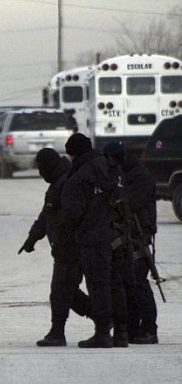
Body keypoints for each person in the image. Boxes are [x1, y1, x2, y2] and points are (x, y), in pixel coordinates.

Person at [19, 148, 91, 347]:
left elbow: (70, 216)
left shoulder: (66, 183)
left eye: (42, 169)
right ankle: (104, 317)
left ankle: (57, 332)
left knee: (60, 290)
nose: (41, 173)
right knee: (67, 290)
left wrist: (62, 238)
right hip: (66, 246)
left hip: (71, 246)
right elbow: (46, 215)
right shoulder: (60, 181)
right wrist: (33, 238)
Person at [61, 133, 121, 348]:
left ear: (74, 153)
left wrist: (65, 234)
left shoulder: (81, 174)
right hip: (113, 234)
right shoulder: (109, 165)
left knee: (97, 286)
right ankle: (118, 332)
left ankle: (103, 332)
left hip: (90, 237)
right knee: (111, 284)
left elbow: (72, 210)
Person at [103, 141, 159, 344]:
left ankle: (149, 329)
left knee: (138, 283)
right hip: (125, 236)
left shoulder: (139, 177)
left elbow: (130, 203)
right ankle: (134, 328)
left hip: (138, 236)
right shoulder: (124, 175)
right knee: (127, 283)